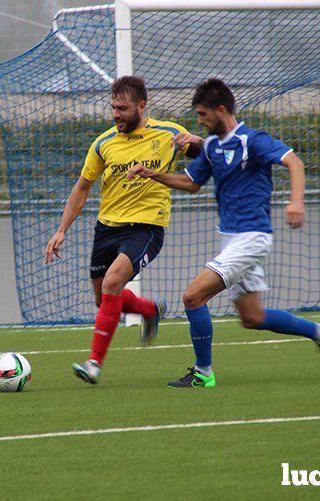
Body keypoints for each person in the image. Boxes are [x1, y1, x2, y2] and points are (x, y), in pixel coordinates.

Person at [127, 78, 320, 388]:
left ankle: (203, 373)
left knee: (192, 296)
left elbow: (294, 162)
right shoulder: (213, 146)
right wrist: (152, 174)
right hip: (230, 238)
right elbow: (191, 183)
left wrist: (296, 202)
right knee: (252, 317)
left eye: (203, 115)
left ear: (221, 110)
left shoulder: (252, 140)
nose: (199, 121)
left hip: (252, 237)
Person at [45, 75, 203, 385]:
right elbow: (82, 188)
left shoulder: (169, 134)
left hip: (146, 228)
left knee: (113, 282)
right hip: (107, 228)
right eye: (113, 107)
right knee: (104, 300)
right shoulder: (103, 144)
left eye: (123, 108)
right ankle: (149, 309)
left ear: (142, 106)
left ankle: (94, 364)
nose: (116, 114)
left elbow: (208, 152)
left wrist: (199, 142)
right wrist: (61, 230)